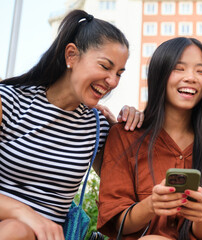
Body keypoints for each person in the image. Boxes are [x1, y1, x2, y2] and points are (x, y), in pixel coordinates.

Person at [0, 10, 143, 240]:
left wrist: (127, 129)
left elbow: (134, 187)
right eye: (106, 67)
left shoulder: (97, 127)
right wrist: (24, 214)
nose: (113, 82)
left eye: (119, 73)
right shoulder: (7, 101)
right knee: (16, 230)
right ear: (71, 55)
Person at [97, 37, 202, 240]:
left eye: (201, 71)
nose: (191, 77)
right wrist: (151, 205)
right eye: (179, 68)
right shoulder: (125, 136)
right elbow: (116, 222)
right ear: (159, 74)